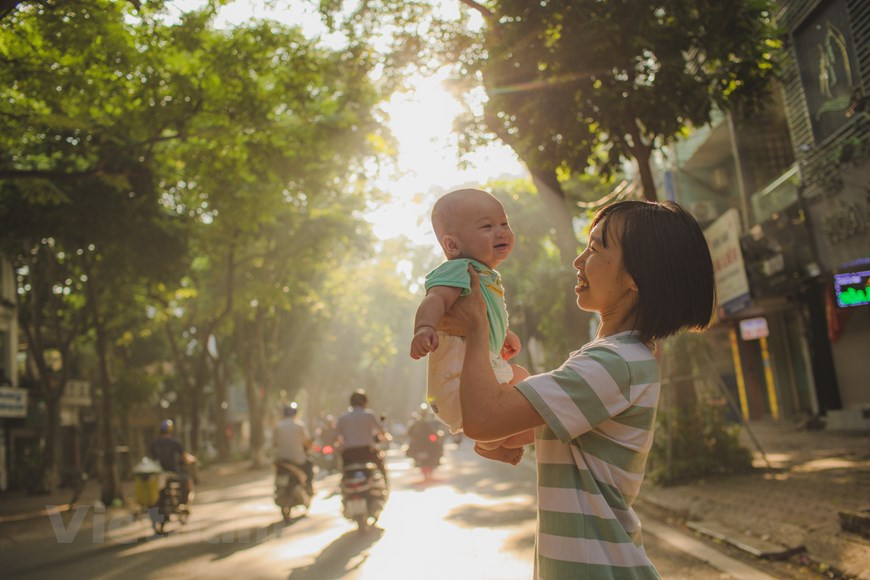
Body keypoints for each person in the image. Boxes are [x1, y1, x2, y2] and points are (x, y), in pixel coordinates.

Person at [448, 200, 716, 578]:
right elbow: (507, 429)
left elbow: (483, 419)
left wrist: (477, 327)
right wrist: (498, 422)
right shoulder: (614, 358)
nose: (578, 261)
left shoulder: (615, 362)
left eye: (596, 247)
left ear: (635, 277)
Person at [409, 188, 533, 465]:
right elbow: (435, 299)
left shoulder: (485, 274)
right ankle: (488, 443)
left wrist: (503, 333)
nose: (501, 231)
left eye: (504, 223)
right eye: (487, 226)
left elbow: (481, 315)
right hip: (459, 376)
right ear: (452, 245)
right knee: (517, 408)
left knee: (526, 385)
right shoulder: (458, 269)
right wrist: (424, 327)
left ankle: (493, 442)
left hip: (484, 364)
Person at [336, 389, 390, 484]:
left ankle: (343, 485)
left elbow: (336, 437)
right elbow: (381, 431)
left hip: (348, 454)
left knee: (344, 471)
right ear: (365, 402)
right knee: (381, 468)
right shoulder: (369, 415)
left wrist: (341, 445)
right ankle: (385, 486)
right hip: (367, 452)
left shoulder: (343, 417)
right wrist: (386, 438)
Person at [273, 402, 314, 494]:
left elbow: (275, 444)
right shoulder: (299, 425)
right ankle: (308, 487)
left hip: (280, 459)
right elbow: (307, 443)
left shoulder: (278, 426)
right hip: (297, 459)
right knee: (309, 465)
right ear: (295, 413)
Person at [149, 419, 193, 504]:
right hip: (173, 472)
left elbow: (153, 459)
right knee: (187, 480)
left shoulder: (154, 443)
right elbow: (184, 457)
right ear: (171, 430)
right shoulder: (175, 442)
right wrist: (192, 460)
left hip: (159, 473)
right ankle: (184, 502)